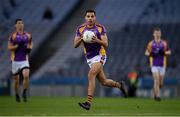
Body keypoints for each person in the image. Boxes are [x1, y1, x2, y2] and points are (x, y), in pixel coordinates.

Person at [74, 9, 128, 110]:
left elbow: (106, 44)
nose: (90, 18)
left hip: (100, 55)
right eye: (88, 16)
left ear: (95, 17)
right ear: (85, 18)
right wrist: (82, 38)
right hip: (89, 58)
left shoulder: (100, 28)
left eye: (92, 16)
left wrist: (97, 40)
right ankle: (120, 85)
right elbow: (75, 45)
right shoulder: (80, 29)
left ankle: (88, 103)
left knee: (91, 75)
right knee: (104, 82)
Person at [8, 19, 33, 102]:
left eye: (22, 23)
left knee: (26, 75)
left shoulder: (28, 35)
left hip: (24, 60)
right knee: (16, 80)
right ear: (15, 25)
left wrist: (29, 48)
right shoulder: (13, 36)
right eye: (19, 23)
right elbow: (9, 47)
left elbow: (30, 44)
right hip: (15, 60)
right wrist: (16, 46)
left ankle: (24, 93)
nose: (21, 24)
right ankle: (17, 94)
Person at [145, 27, 171, 101]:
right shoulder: (151, 43)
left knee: (160, 83)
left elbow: (169, 52)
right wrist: (150, 53)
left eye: (158, 33)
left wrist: (164, 53)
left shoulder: (164, 43)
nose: (157, 34)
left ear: (160, 34)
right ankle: (158, 96)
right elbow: (146, 52)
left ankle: (155, 94)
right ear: (153, 34)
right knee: (156, 80)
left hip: (162, 65)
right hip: (154, 65)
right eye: (156, 33)